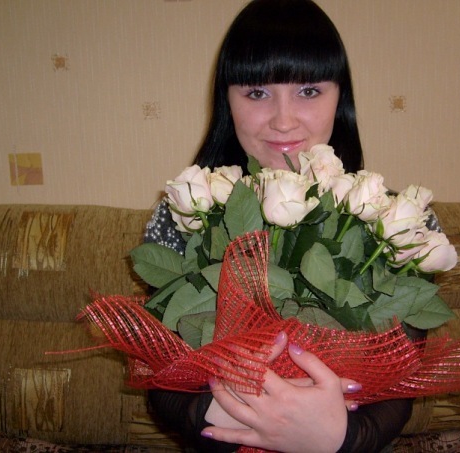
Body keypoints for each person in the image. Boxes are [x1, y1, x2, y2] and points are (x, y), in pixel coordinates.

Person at [144, 1, 423, 451]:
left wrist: (337, 436)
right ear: (227, 100)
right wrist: (234, 413)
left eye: (309, 90)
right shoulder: (184, 212)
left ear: (340, 97)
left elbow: (404, 378)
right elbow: (158, 372)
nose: (284, 120)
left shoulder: (395, 219)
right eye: (257, 93)